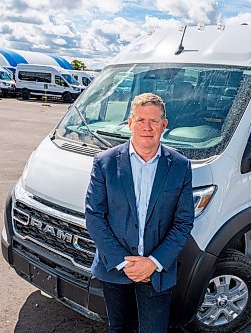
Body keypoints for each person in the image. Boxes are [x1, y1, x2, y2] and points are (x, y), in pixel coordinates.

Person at [85, 93, 194, 333]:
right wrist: (126, 263)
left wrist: (152, 263)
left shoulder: (180, 166)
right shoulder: (105, 162)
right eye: (141, 120)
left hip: (157, 271)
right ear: (130, 123)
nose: (147, 127)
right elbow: (94, 216)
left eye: (154, 121)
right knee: (119, 328)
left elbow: (184, 222)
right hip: (114, 268)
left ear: (164, 125)